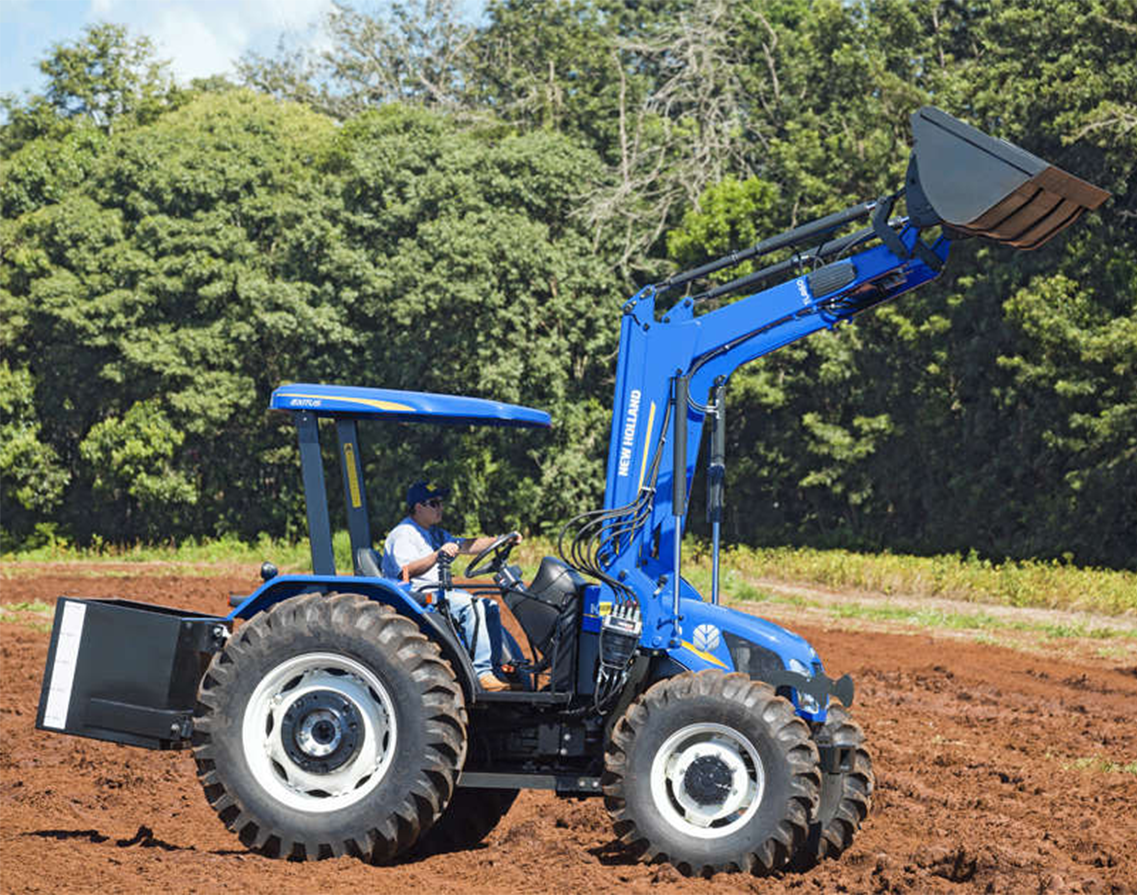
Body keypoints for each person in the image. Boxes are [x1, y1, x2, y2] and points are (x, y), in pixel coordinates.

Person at [381, 480, 520, 692]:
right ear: (419, 507)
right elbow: (405, 571)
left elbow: (466, 545)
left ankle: (495, 671)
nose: (440, 508)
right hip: (417, 594)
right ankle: (481, 674)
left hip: (439, 590)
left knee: (489, 606)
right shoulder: (403, 534)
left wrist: (501, 539)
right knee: (470, 605)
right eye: (434, 503)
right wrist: (438, 555)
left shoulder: (434, 532)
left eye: (441, 502)